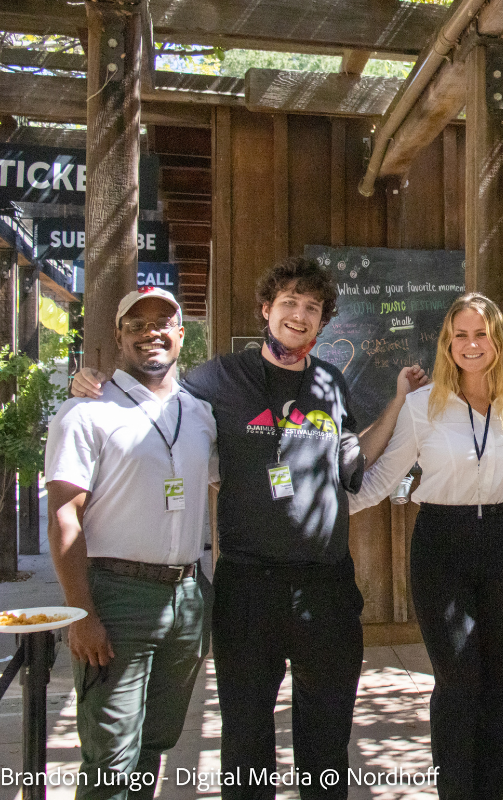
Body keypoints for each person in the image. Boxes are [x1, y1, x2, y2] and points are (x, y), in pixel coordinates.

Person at [71, 257, 423, 800]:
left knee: (327, 737)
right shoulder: (216, 378)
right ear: (266, 309)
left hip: (326, 587)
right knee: (246, 738)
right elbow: (154, 395)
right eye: (289, 304)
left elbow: (351, 462)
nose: (299, 316)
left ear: (323, 321)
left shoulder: (331, 382)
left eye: (312, 308)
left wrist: (398, 404)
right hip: (247, 587)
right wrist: (94, 381)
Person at [351, 293, 503, 800]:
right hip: (442, 546)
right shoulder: (422, 406)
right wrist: (315, 510)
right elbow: (379, 479)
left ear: (497, 340)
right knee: (457, 679)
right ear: (447, 343)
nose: (472, 344)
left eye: (481, 333)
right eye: (461, 335)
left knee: (502, 682)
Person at [46, 287, 216, 799]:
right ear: (119, 336)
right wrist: (81, 613)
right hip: (115, 597)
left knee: (155, 742)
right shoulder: (85, 412)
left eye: (163, 322)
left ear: (181, 335)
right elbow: (63, 512)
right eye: (136, 324)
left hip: (186, 597)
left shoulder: (200, 413)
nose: (151, 332)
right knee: (110, 754)